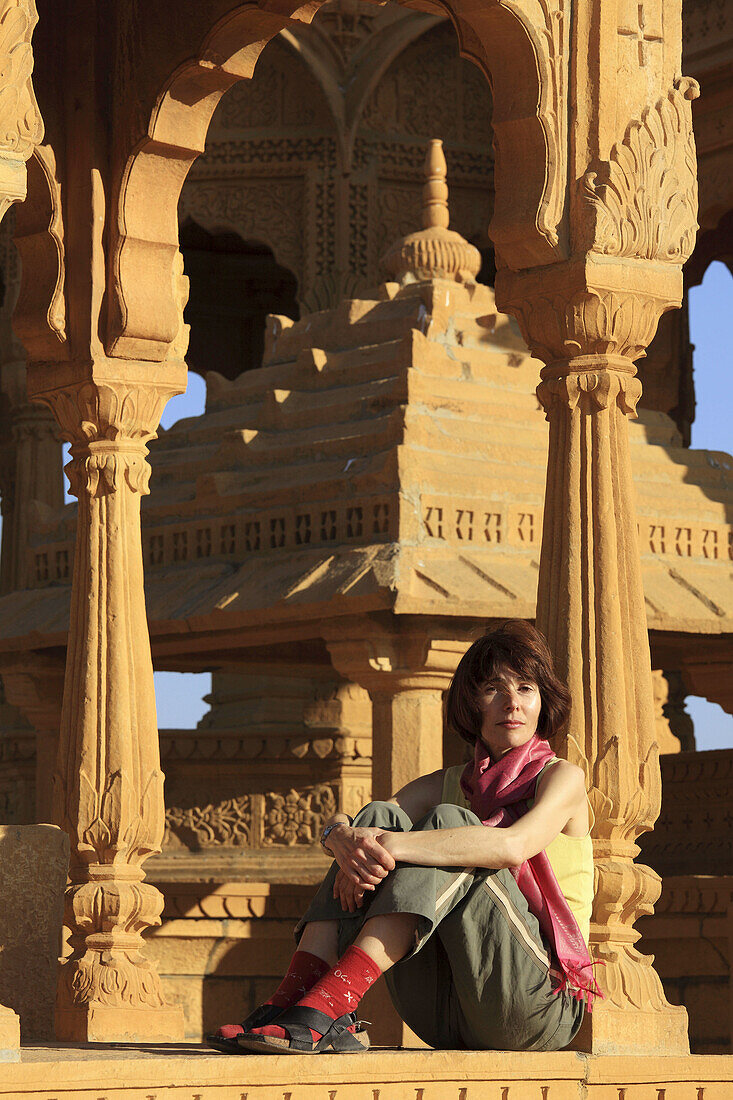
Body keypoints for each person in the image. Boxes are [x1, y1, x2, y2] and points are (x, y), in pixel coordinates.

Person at [207, 619, 600, 1055]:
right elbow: (365, 819)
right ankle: (294, 1000)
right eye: (494, 688)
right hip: (444, 1011)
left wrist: (389, 845)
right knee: (379, 815)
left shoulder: (562, 778)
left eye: (526, 688)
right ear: (473, 702)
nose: (512, 702)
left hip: (535, 1005)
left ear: (543, 701)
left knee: (448, 824)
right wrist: (340, 837)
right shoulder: (450, 781)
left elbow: (512, 846)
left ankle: (328, 1005)